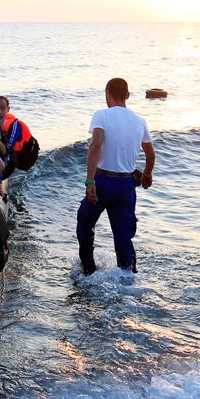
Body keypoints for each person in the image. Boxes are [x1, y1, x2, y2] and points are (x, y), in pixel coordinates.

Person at [76, 77, 156, 275]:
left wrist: (90, 181)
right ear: (127, 95)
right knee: (123, 236)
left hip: (103, 182)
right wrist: (147, 174)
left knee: (84, 226)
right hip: (126, 186)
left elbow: (95, 146)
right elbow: (150, 152)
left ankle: (88, 271)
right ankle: (128, 276)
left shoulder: (101, 116)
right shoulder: (140, 120)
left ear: (107, 94)